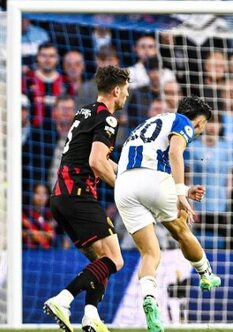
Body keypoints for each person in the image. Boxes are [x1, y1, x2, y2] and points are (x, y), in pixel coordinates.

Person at [114, 96, 221, 332]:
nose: (201, 130)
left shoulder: (148, 124)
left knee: (150, 253)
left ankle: (149, 298)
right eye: (203, 125)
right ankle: (206, 273)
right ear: (199, 121)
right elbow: (174, 153)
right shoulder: (183, 122)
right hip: (152, 179)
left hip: (123, 186)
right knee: (181, 230)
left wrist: (181, 189)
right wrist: (181, 191)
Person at [44, 65, 130, 332]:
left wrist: (128, 172)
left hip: (61, 197)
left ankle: (91, 316)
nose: (127, 95)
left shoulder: (85, 112)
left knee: (100, 263)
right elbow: (96, 162)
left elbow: (98, 158)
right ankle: (64, 299)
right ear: (116, 90)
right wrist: (124, 190)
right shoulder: (109, 119)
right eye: (125, 89)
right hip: (79, 196)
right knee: (116, 260)